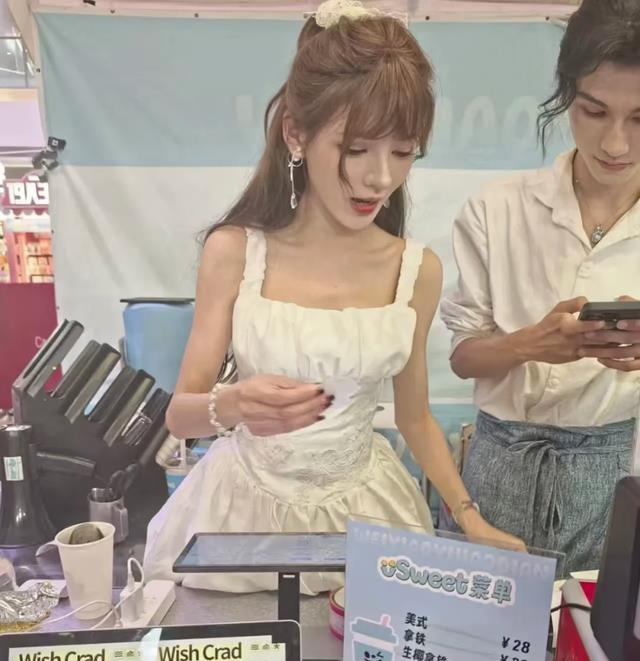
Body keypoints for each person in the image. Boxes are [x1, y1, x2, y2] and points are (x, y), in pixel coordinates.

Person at [144, 0, 523, 594]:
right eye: (357, 148)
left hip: (365, 515)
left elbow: (415, 416)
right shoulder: (235, 251)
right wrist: (235, 404)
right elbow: (180, 415)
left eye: (403, 152)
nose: (381, 177)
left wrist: (469, 518)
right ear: (297, 134)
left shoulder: (415, 271)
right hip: (238, 516)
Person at [440, 0, 640, 575]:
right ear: (566, 92)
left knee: (595, 629)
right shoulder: (497, 208)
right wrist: (529, 344)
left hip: (615, 474)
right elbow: (462, 357)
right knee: (477, 625)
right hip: (498, 465)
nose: (616, 144)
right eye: (594, 111)